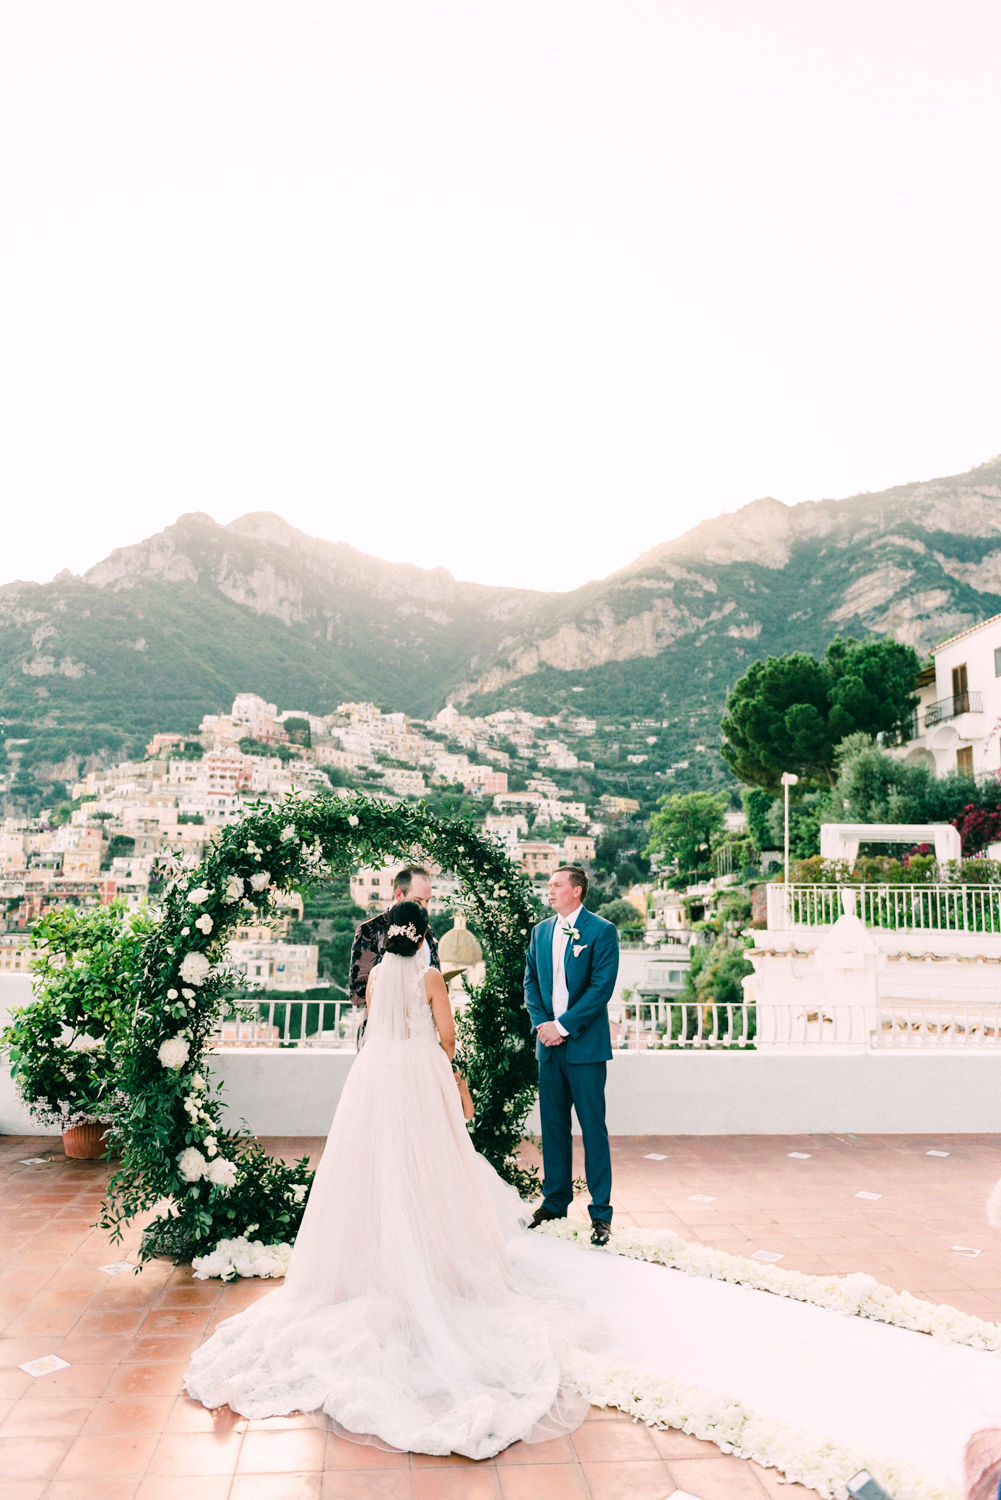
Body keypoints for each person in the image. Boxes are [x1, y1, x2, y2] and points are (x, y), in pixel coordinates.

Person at [183, 901, 591, 1459]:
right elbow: (447, 1040)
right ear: (423, 936)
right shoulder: (428, 977)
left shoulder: (375, 975)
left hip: (374, 1078)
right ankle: (432, 1260)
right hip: (419, 1076)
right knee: (433, 1172)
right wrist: (449, 1071)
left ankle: (373, 1262)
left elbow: (376, 1028)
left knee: (372, 1170)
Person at [523, 865, 620, 1246]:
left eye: (557, 885)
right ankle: (555, 1202)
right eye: (549, 885)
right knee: (553, 1129)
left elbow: (600, 989)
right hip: (548, 1047)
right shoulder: (540, 931)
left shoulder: (601, 931)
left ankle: (601, 1214)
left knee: (593, 1130)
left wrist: (562, 1026)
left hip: (585, 1048)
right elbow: (531, 981)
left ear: (576, 891)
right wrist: (542, 1025)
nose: (550, 890)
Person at [347, 865, 440, 1005]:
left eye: (427, 901)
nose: (424, 907)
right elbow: (357, 994)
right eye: (417, 900)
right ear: (398, 895)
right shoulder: (370, 930)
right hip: (382, 1023)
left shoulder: (429, 933)